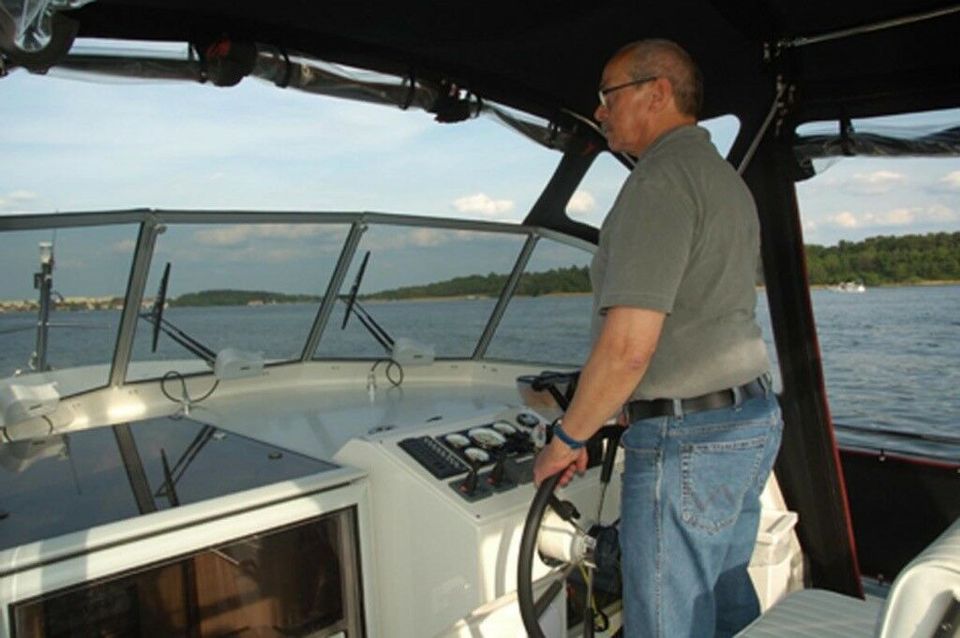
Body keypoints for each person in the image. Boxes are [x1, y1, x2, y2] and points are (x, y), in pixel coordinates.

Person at [532, 39, 783, 638]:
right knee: (721, 600)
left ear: (657, 92)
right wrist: (608, 415)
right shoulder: (723, 180)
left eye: (608, 95)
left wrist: (567, 438)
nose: (600, 111)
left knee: (667, 624)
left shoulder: (660, 182)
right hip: (747, 421)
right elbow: (698, 317)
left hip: (689, 443)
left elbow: (628, 348)